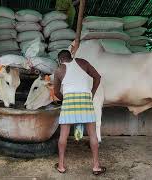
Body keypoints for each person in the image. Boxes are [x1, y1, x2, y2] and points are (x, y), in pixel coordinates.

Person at [53, 44, 106, 175]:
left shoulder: (59, 70)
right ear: (71, 57)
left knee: (63, 136)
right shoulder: (83, 62)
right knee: (92, 134)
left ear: (60, 60)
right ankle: (96, 166)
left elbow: (56, 92)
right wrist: (92, 92)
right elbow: (97, 77)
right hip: (85, 100)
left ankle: (61, 165)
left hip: (69, 101)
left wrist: (64, 99)